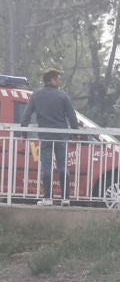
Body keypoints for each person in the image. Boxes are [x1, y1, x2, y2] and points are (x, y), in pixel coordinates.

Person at [23, 69, 77, 204]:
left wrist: (23, 132)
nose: (60, 81)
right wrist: (75, 133)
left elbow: (27, 115)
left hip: (45, 136)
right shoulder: (63, 96)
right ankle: (66, 199)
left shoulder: (36, 95)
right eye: (58, 78)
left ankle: (47, 198)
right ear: (51, 80)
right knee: (63, 166)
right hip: (61, 136)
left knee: (47, 167)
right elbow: (72, 116)